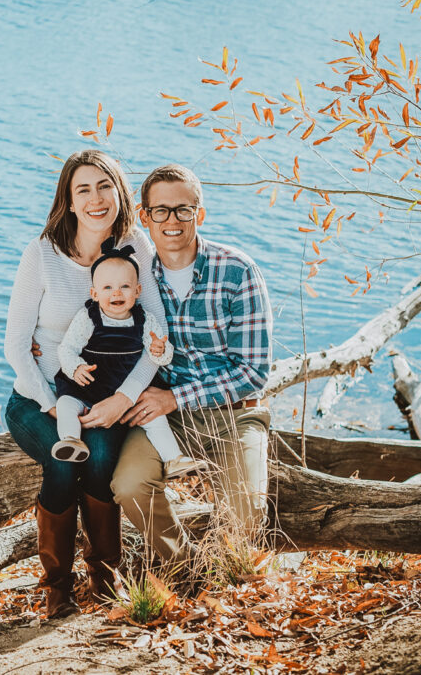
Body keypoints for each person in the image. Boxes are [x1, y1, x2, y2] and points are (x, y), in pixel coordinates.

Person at [3, 150, 167, 618]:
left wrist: (123, 399)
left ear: (120, 193)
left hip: (106, 401)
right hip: (37, 397)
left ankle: (105, 578)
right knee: (62, 464)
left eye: (104, 186)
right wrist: (52, 402)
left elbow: (155, 337)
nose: (96, 199)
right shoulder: (42, 254)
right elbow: (16, 344)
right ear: (69, 201)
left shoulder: (135, 245)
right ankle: (57, 588)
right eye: (83, 190)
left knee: (98, 464)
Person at [110, 164, 273, 569]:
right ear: (144, 216)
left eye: (183, 209)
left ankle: (230, 574)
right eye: (160, 210)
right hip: (166, 419)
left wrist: (175, 398)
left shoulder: (237, 271)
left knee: (248, 512)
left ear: (200, 213)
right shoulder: (137, 278)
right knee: (129, 485)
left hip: (235, 414)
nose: (172, 221)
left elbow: (253, 373)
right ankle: (186, 568)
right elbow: (98, 324)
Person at [50, 238, 204, 481]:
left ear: (137, 291)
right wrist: (76, 367)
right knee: (66, 405)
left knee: (154, 418)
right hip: (86, 385)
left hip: (123, 389)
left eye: (125, 286)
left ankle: (173, 459)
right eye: (108, 287)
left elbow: (162, 357)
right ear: (94, 293)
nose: (117, 293)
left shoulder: (145, 320)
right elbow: (67, 349)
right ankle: (71, 439)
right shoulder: (88, 317)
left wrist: (159, 349)